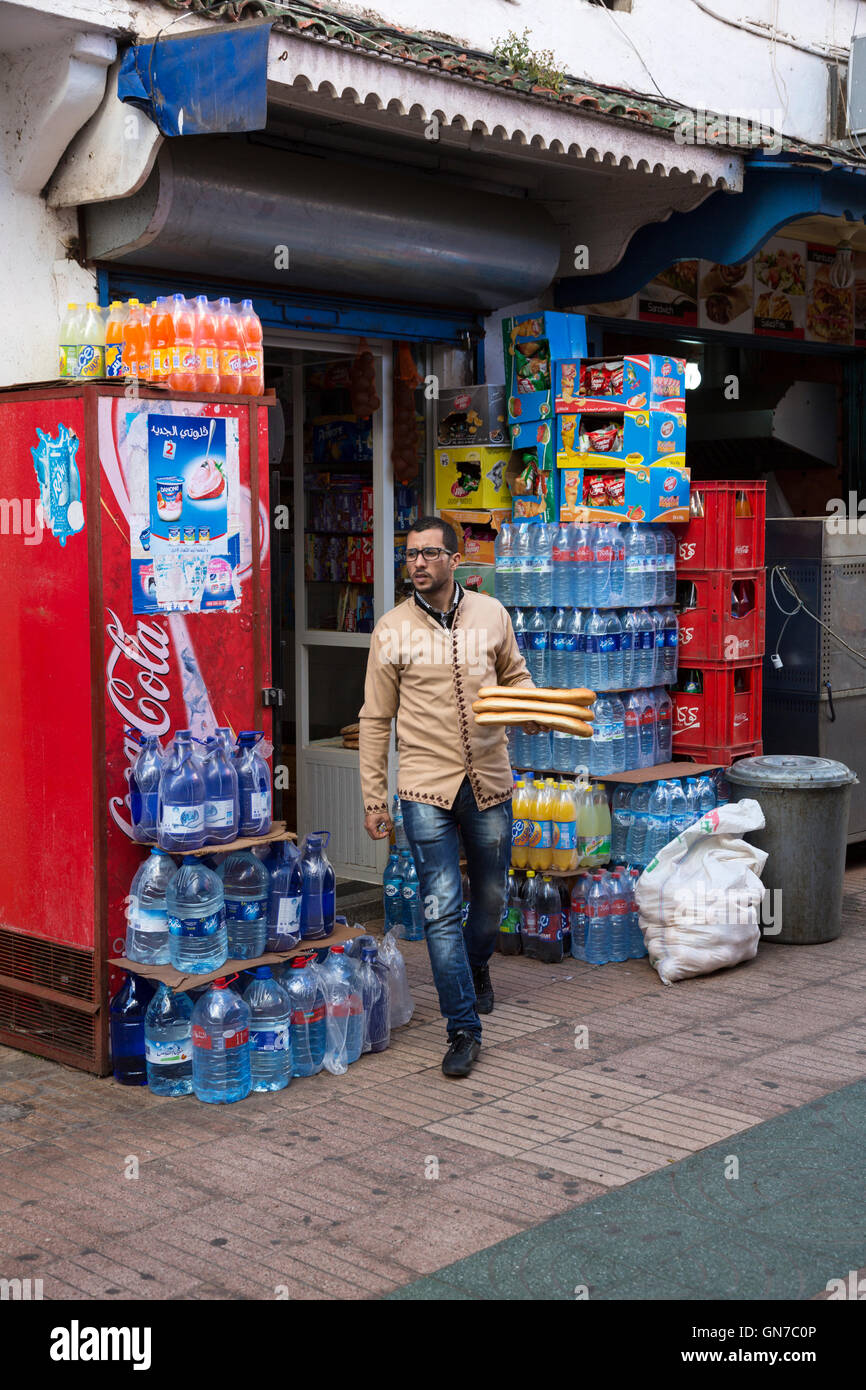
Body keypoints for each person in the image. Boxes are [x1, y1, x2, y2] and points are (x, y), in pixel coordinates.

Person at [359, 516, 534, 1078]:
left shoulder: (492, 615)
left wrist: (531, 707)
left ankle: (476, 963)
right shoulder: (390, 629)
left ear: (455, 560)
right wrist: (374, 798)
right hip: (424, 787)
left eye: (430, 553)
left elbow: (517, 677)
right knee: (439, 908)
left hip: (489, 780)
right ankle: (462, 1027)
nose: (417, 563)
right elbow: (374, 719)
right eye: (410, 555)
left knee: (489, 898)